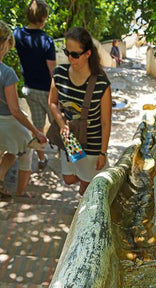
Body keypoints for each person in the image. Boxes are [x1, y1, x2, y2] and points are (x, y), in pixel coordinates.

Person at [48, 27, 112, 195]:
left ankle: (82, 209)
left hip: (92, 142)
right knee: (69, 179)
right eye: (67, 52)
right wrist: (62, 124)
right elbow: (52, 102)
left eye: (75, 54)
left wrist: (102, 153)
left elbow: (106, 122)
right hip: (70, 139)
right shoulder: (59, 74)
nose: (70, 58)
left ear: (88, 53)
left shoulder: (100, 83)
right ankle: (88, 181)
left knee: (86, 183)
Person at [0, 20, 46, 198]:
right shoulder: (7, 73)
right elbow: (15, 110)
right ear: (4, 44)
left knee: (13, 146)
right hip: (7, 122)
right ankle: (19, 192)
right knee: (27, 145)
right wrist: (35, 131)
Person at [14, 0, 56, 170]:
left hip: (29, 89)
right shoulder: (47, 41)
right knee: (58, 123)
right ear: (44, 18)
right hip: (46, 90)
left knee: (38, 124)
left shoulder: (18, 34)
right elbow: (52, 72)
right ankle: (66, 155)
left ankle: (41, 158)